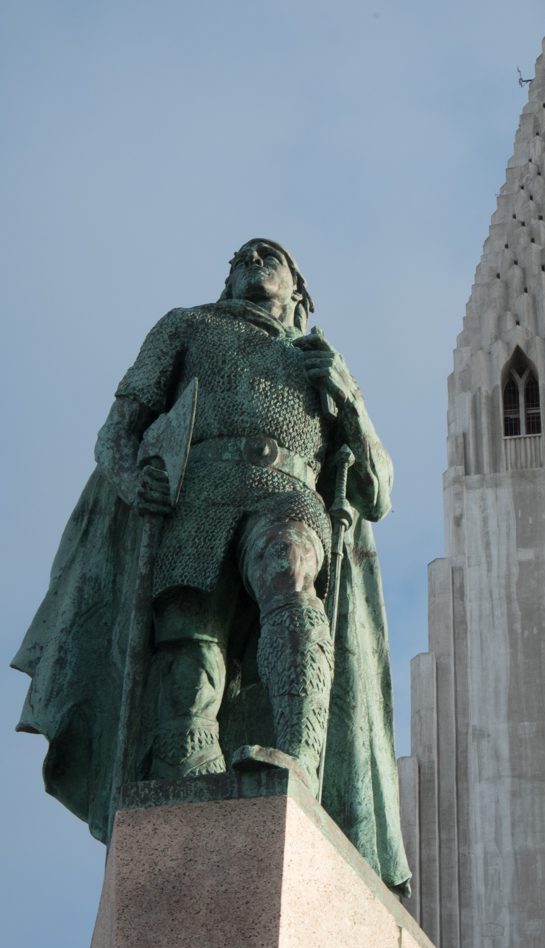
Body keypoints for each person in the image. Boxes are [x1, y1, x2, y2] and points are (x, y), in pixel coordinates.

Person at [13, 239, 411, 894]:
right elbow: (118, 430)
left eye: (268, 256)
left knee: (289, 575)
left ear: (297, 289)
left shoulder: (321, 360)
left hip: (287, 493)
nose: (252, 261)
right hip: (198, 496)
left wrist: (348, 398)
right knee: (188, 654)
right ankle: (188, 789)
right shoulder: (186, 326)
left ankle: (299, 757)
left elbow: (378, 491)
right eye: (241, 258)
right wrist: (131, 478)